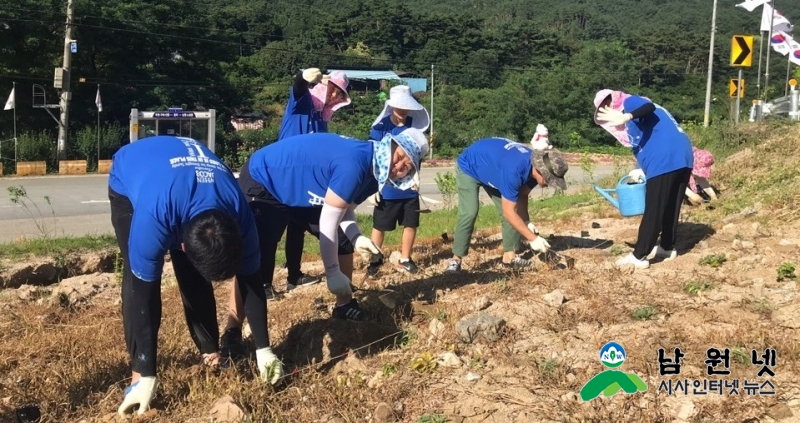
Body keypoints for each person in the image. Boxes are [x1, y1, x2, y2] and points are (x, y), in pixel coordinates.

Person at [108, 135, 280, 417]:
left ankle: (210, 350)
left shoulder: (239, 213)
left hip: (184, 180)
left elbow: (251, 280)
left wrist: (264, 349)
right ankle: (137, 377)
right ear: (183, 245)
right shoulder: (154, 217)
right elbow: (144, 294)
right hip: (133, 170)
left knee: (194, 272)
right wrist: (148, 371)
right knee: (135, 273)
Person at [227, 129, 429, 327]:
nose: (399, 166)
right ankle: (233, 329)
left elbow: (344, 210)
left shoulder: (377, 173)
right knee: (255, 254)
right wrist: (331, 272)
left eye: (407, 166)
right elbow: (328, 222)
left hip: (302, 189)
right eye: (400, 155)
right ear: (392, 144)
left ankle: (344, 304)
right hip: (266, 179)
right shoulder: (355, 163)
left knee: (342, 239)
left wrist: (356, 236)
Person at [592, 89, 694, 269]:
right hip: (683, 155)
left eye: (607, 105)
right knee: (670, 205)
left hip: (664, 158)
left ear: (613, 99)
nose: (608, 110)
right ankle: (667, 247)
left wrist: (626, 116)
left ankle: (639, 256)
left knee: (654, 208)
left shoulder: (630, 102)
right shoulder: (651, 116)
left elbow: (647, 107)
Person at [276, 67, 352, 296]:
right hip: (282, 173)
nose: (335, 95)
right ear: (325, 85)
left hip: (306, 179)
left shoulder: (322, 118)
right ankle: (263, 285)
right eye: (334, 89)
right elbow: (299, 89)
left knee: (296, 227)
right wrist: (301, 78)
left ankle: (294, 276)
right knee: (272, 230)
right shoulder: (304, 104)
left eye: (341, 93)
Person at [444, 137, 568, 273]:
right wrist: (533, 239)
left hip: (494, 170)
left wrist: (526, 221)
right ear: (541, 171)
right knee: (470, 212)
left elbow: (522, 195)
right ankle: (456, 259)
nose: (549, 184)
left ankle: (509, 257)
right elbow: (509, 212)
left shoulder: (533, 172)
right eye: (550, 180)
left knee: (514, 214)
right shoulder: (514, 171)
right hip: (470, 166)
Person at [366, 85, 430, 276]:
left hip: (410, 186)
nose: (402, 112)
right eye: (399, 108)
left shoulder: (414, 126)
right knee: (380, 225)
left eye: (406, 107)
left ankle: (405, 259)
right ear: (391, 107)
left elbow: (417, 156)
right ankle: (374, 261)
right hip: (387, 187)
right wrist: (373, 187)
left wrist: (417, 178)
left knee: (411, 223)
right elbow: (373, 157)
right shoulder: (380, 128)